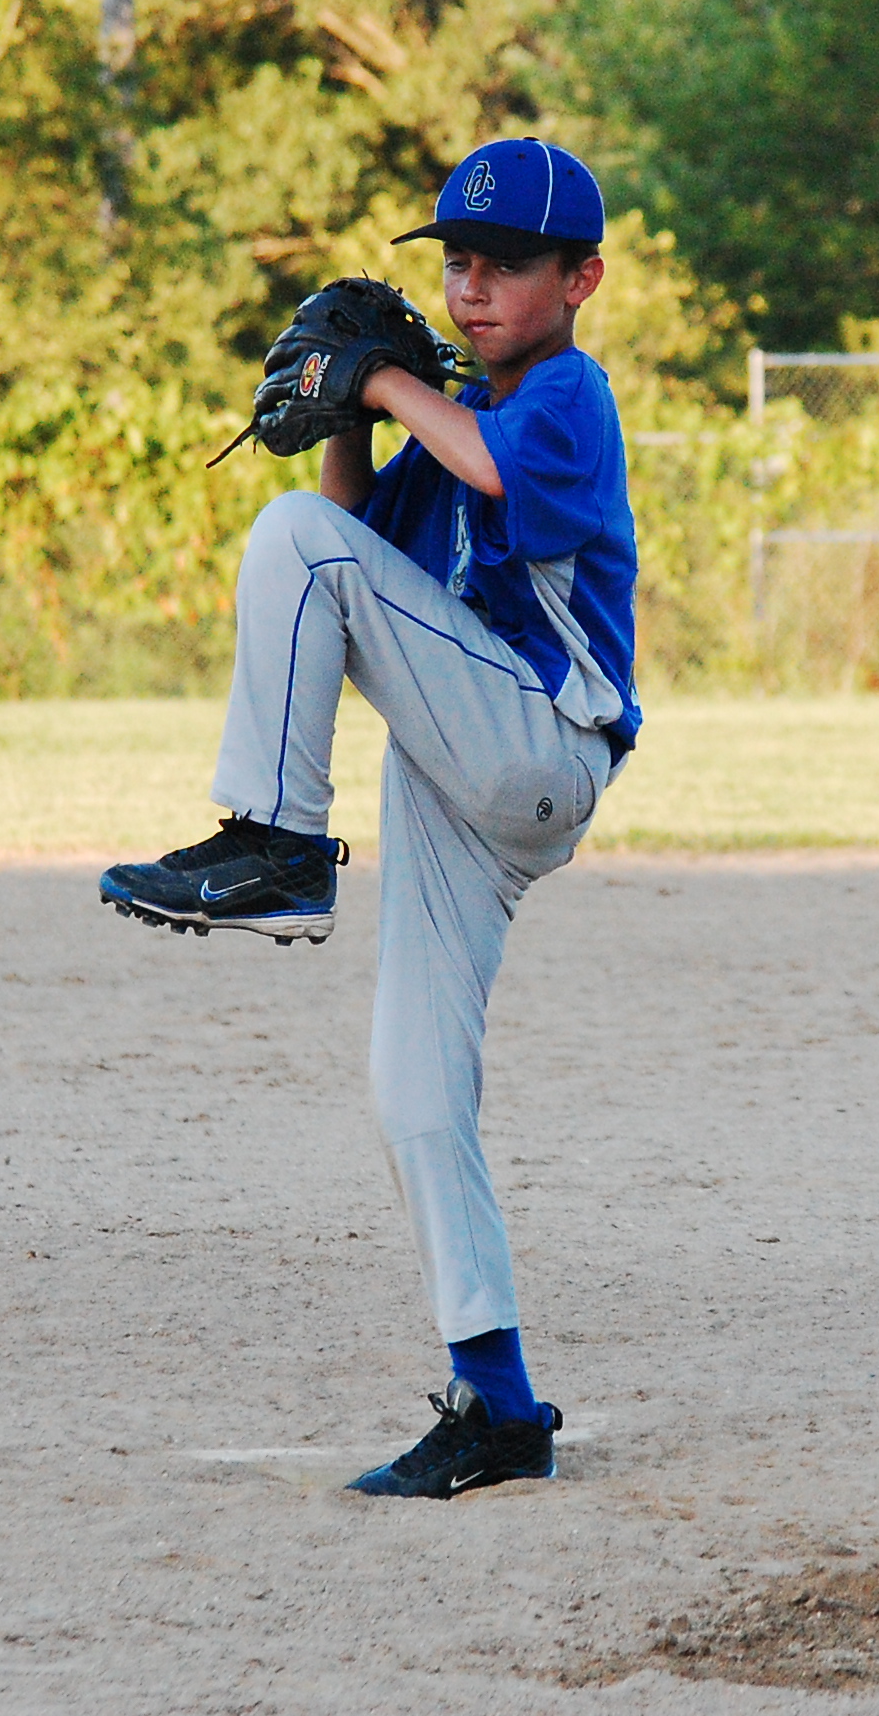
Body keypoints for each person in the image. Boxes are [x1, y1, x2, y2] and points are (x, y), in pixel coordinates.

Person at [99, 138, 639, 1499]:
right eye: (456, 262)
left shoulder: (564, 395)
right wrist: (345, 411)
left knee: (284, 535)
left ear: (579, 281)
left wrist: (388, 381)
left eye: (506, 264)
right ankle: (497, 1402)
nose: (472, 286)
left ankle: (279, 841)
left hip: (536, 741)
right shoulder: (452, 420)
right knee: (412, 1090)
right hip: (461, 774)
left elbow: (482, 475)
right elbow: (356, 532)